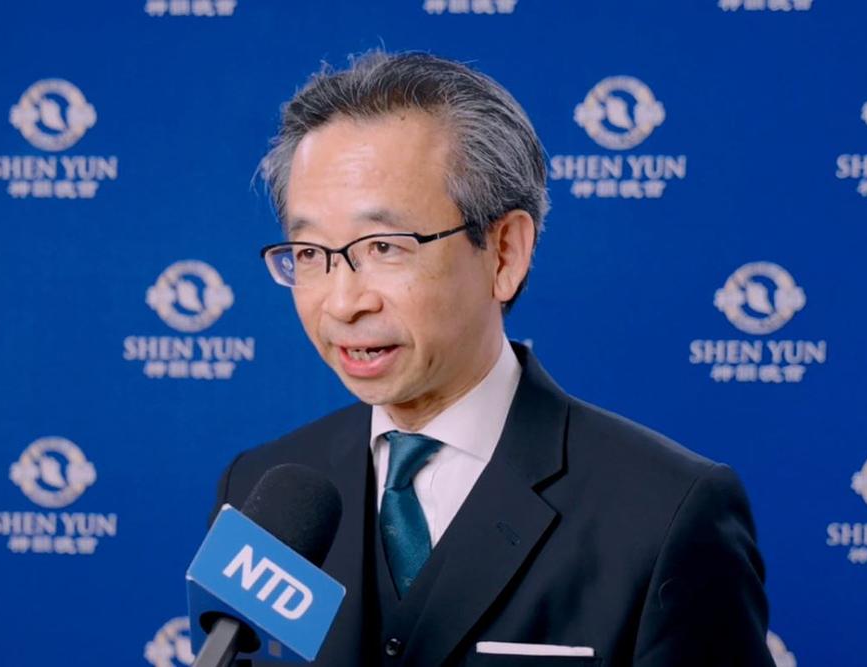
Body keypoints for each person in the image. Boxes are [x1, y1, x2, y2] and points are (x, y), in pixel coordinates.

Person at [213, 51, 774, 666]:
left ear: (505, 253)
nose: (344, 302)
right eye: (310, 253)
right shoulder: (261, 491)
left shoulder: (666, 512)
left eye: (384, 247)